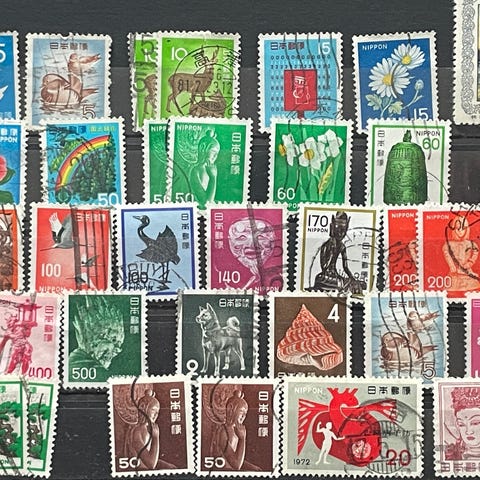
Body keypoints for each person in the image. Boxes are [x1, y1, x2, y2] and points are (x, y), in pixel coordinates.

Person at [312, 211, 366, 294]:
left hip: (336, 277)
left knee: (361, 284)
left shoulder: (342, 246)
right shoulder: (326, 245)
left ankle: (344, 284)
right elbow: (324, 267)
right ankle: (343, 285)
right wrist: (332, 250)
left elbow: (345, 267)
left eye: (343, 230)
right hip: (325, 277)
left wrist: (352, 279)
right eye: (338, 230)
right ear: (333, 228)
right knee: (320, 278)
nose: (340, 233)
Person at [124, 389, 176, 470]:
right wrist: (156, 438)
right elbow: (151, 464)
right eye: (153, 410)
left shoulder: (145, 429)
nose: (156, 415)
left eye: (157, 412)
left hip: (145, 468)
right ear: (144, 409)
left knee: (172, 467)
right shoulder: (138, 431)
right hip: (141, 471)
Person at [210, 389, 260, 471]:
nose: (243, 416)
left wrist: (252, 467)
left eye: (245, 414)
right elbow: (236, 465)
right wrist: (242, 439)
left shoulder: (234, 431)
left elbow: (236, 458)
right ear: (230, 408)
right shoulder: (223, 431)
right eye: (242, 412)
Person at [442, 215, 480, 291]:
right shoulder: (449, 244)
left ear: (467, 230)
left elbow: (476, 251)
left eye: (463, 229)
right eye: (457, 228)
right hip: (454, 274)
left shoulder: (470, 244)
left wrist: (469, 263)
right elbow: (446, 252)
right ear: (454, 229)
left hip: (467, 273)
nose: (460, 231)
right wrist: (451, 265)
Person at [445, 386, 480, 460]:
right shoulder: (451, 455)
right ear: (457, 425)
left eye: (475, 423)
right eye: (461, 424)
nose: (468, 431)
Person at [190, 129, 221, 207]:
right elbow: (207, 203)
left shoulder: (210, 169)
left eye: (217, 154)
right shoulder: (196, 170)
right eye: (213, 151)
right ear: (203, 148)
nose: (215, 156)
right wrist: (213, 178)